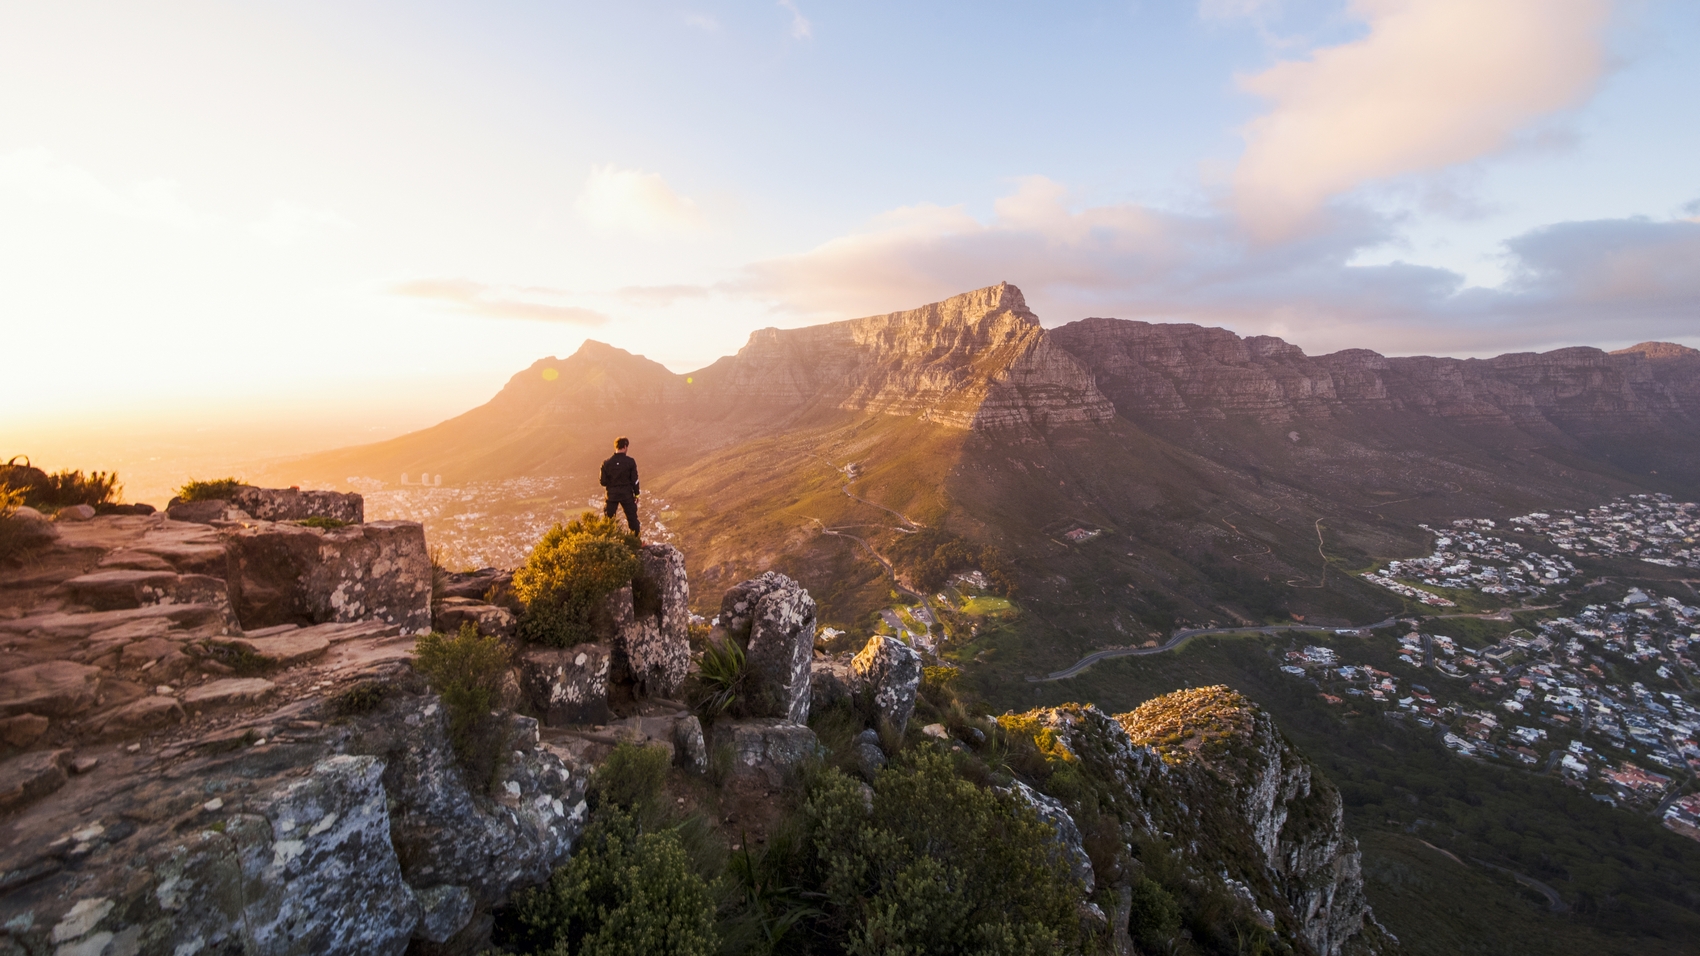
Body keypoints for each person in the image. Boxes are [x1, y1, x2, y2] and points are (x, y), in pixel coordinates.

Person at [599, 436, 640, 535]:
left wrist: (612, 483)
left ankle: (608, 541)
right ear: (625, 447)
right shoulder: (630, 462)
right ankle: (636, 540)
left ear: (615, 447)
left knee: (608, 519)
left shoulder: (606, 463)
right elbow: (635, 480)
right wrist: (637, 494)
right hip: (626, 494)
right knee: (632, 518)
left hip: (611, 495)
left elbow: (602, 482)